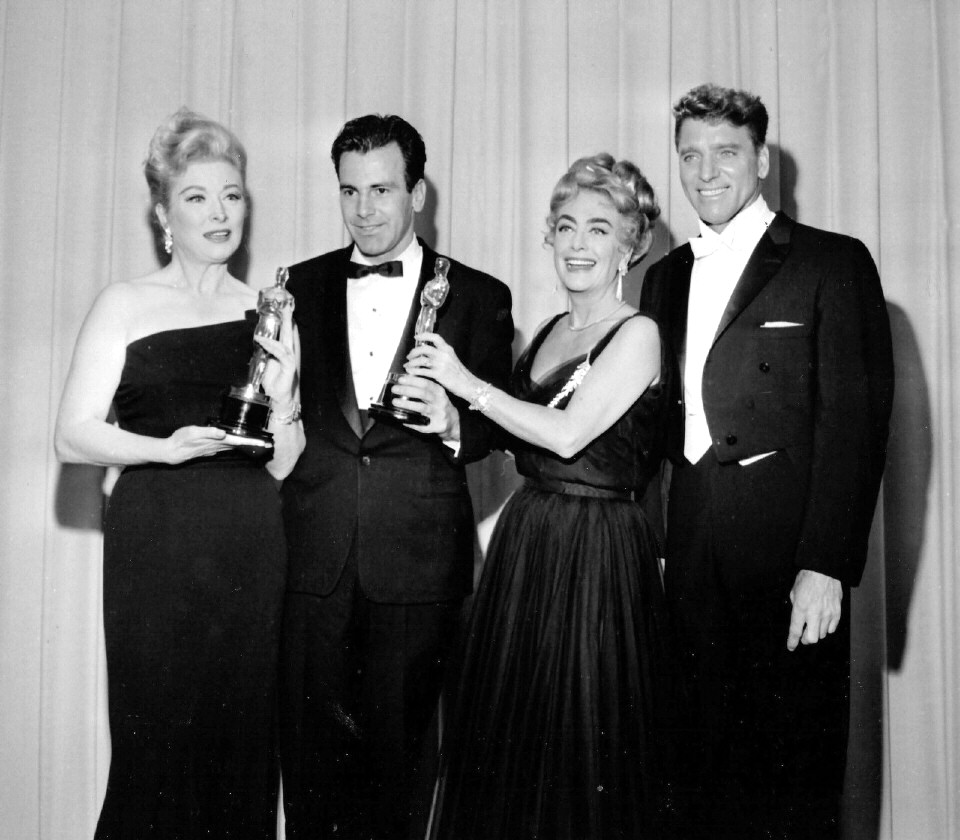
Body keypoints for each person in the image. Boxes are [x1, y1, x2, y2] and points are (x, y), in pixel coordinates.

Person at [639, 84, 895, 840]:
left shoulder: (831, 261)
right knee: (694, 777)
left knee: (791, 780)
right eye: (690, 155)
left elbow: (855, 427)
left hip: (786, 565)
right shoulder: (663, 276)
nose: (705, 172)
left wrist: (825, 565)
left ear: (761, 161)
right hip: (687, 558)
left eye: (726, 153)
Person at [54, 108, 304, 839]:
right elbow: (72, 435)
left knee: (241, 742)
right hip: (157, 543)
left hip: (251, 546)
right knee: (157, 739)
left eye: (232, 195)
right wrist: (164, 449)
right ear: (164, 215)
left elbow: (287, 462)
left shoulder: (268, 312)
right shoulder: (125, 304)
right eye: (197, 196)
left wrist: (288, 395)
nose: (219, 212)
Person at [408, 153, 674, 840]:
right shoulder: (554, 329)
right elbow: (515, 438)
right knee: (513, 744)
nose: (578, 244)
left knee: (582, 743)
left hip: (598, 551)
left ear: (630, 245)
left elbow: (566, 434)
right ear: (548, 237)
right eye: (565, 227)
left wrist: (467, 385)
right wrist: (450, 420)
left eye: (598, 229)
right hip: (530, 540)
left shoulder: (638, 334)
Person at [278, 113, 514, 840]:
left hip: (418, 566)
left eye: (381, 190)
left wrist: (453, 421)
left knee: (404, 775)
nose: (364, 210)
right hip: (313, 563)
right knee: (311, 773)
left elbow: (500, 428)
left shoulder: (479, 294)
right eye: (349, 192)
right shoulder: (297, 286)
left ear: (417, 192)